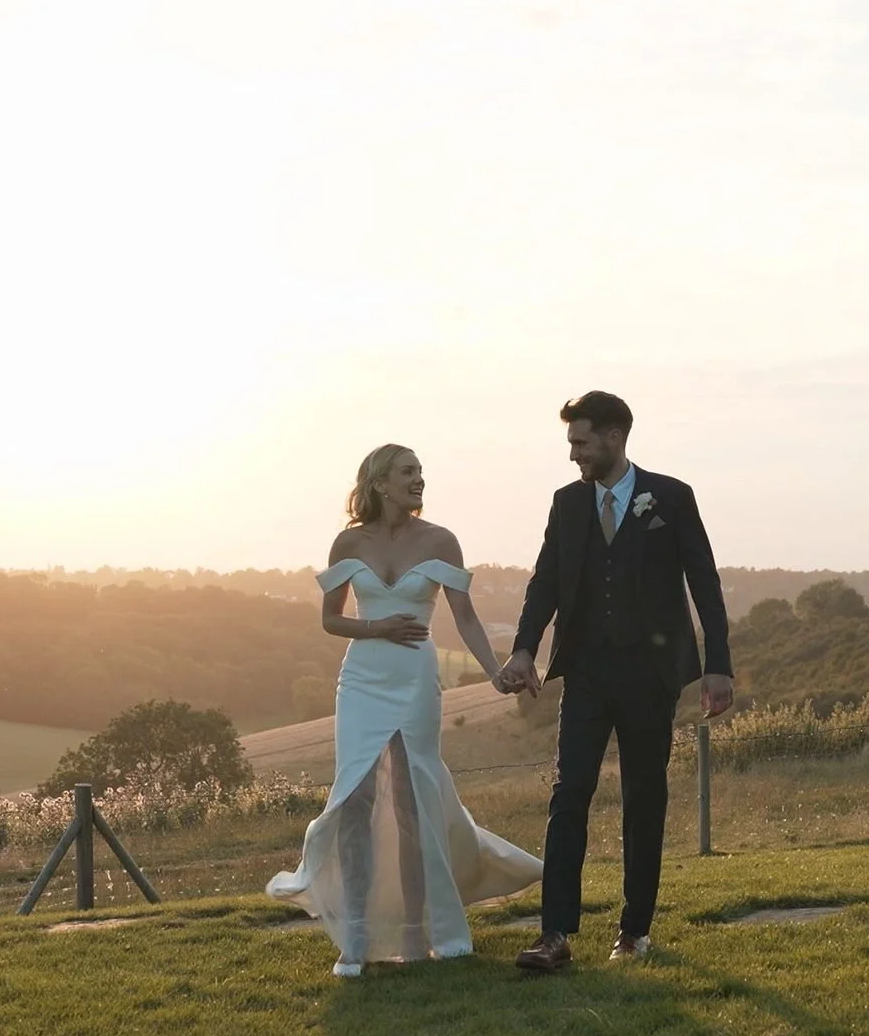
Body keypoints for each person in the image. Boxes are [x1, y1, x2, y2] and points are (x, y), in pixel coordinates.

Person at [267, 444, 544, 977]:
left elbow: (464, 617)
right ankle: (356, 937)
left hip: (415, 680)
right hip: (361, 681)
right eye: (408, 471)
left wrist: (492, 671)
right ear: (380, 483)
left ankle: (421, 933)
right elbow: (330, 620)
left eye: (420, 472)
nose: (420, 479)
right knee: (354, 800)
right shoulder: (348, 542)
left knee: (413, 798)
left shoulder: (441, 540)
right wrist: (378, 627)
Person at [497, 392, 734, 973]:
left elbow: (704, 582)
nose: (574, 454)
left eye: (581, 442)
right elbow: (545, 581)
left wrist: (718, 665)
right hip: (586, 674)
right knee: (568, 795)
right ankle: (554, 934)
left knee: (643, 798)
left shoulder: (671, 497)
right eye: (571, 444)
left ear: (614, 437)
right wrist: (525, 648)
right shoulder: (567, 504)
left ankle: (634, 932)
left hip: (651, 676)